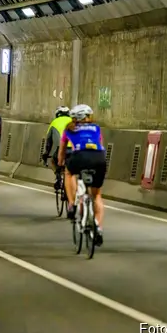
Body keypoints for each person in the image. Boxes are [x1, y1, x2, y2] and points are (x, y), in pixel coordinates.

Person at [58, 104, 107, 246]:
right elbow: (101, 146)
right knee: (97, 195)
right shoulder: (96, 128)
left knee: (69, 173)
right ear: (87, 117)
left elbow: (62, 152)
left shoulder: (69, 129)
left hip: (79, 156)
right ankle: (98, 226)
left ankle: (72, 205)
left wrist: (61, 163)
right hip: (99, 158)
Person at [41, 106, 72, 194]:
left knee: (52, 161)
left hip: (61, 150)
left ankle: (58, 177)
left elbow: (49, 142)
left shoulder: (54, 122)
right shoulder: (73, 122)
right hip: (74, 150)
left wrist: (46, 154)